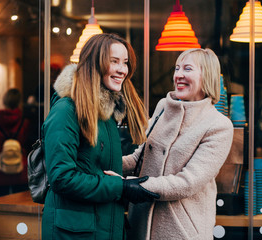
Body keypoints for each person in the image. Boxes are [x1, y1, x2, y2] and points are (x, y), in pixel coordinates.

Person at [41, 33, 159, 240]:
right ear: (94, 64)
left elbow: (96, 168)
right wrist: (121, 187)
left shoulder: (105, 114)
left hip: (103, 227)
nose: (123, 70)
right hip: (75, 232)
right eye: (114, 62)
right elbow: (61, 178)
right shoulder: (66, 111)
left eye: (125, 63)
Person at [121, 48, 234, 240]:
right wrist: (102, 161)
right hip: (139, 224)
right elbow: (139, 157)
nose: (178, 75)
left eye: (187, 69)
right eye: (177, 68)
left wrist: (134, 186)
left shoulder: (219, 126)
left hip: (180, 231)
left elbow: (188, 182)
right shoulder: (163, 107)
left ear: (207, 76)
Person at [0, 88, 31, 198]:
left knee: (0, 211)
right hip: (21, 172)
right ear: (19, 102)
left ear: (4, 102)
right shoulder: (25, 123)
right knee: (21, 210)